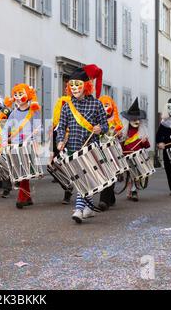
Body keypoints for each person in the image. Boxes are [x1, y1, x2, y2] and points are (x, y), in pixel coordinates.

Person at [56, 65, 109, 224]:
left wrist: (100, 129)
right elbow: (61, 126)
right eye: (71, 85)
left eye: (77, 85)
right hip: (73, 148)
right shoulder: (67, 106)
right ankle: (90, 208)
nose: (74, 88)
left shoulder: (96, 104)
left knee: (84, 178)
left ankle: (78, 210)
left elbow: (105, 126)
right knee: (81, 179)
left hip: (91, 147)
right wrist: (59, 141)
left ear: (85, 85)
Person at [1, 84, 41, 209]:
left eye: (20, 95)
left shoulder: (33, 111)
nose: (18, 98)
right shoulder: (13, 113)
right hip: (15, 145)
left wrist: (36, 136)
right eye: (16, 95)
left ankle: (21, 198)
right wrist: (3, 140)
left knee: (24, 171)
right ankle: (27, 197)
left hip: (27, 145)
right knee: (21, 171)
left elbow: (39, 128)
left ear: (27, 96)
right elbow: (6, 128)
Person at [120, 97, 150, 202]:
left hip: (138, 156)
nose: (136, 121)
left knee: (136, 175)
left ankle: (134, 191)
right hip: (126, 156)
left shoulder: (142, 131)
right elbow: (120, 145)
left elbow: (147, 146)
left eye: (137, 119)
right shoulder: (125, 132)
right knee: (129, 176)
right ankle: (130, 191)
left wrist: (144, 141)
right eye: (133, 119)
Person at [98, 95, 123, 210]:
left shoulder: (116, 121)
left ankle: (105, 200)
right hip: (101, 151)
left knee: (111, 174)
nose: (105, 108)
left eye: (107, 105)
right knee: (104, 174)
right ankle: (108, 199)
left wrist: (120, 135)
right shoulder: (97, 120)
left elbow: (122, 138)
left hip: (113, 151)